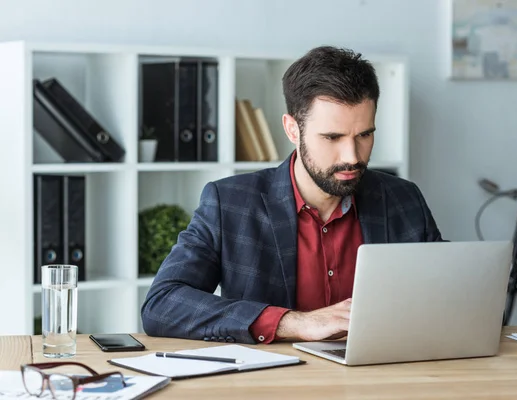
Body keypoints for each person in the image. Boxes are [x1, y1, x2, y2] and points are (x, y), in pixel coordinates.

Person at [141, 45, 444, 345]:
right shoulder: (229, 203)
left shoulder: (403, 199)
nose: (352, 156)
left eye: (364, 135)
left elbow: (452, 292)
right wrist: (294, 322)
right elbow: (162, 305)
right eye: (332, 137)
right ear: (292, 129)